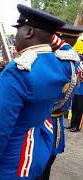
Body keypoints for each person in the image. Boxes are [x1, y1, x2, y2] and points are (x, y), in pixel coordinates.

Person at [0, 4, 73, 179]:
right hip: (38, 151)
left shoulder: (18, 71)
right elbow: (70, 52)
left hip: (12, 161)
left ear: (29, 33)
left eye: (19, 29)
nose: (15, 35)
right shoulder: (61, 66)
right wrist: (51, 35)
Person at [37, 24, 83, 180]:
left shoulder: (55, 62)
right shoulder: (75, 62)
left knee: (37, 164)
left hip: (43, 120)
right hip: (56, 119)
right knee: (47, 163)